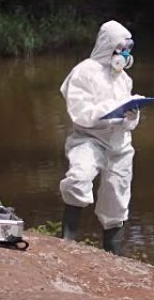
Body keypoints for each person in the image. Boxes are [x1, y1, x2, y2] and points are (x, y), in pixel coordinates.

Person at [59, 20, 141, 255]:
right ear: (109, 45)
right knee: (78, 178)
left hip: (120, 145)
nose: (125, 55)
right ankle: (66, 243)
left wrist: (130, 116)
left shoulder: (123, 78)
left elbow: (128, 122)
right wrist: (111, 111)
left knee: (117, 198)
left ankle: (113, 256)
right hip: (89, 139)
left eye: (128, 49)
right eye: (121, 48)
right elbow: (79, 112)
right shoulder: (84, 71)